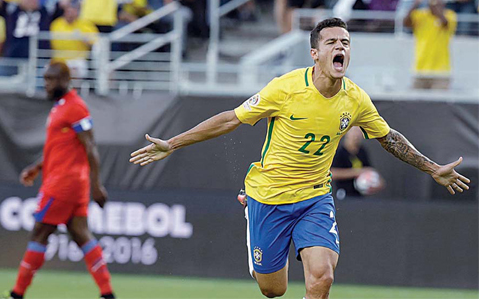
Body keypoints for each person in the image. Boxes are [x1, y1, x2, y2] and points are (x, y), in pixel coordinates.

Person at [129, 18, 470, 299]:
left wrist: (432, 168)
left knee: (322, 278)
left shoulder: (356, 99)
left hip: (314, 197)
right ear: (315, 53)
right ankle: (251, 210)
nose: (341, 47)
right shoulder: (286, 88)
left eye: (346, 42)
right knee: (272, 290)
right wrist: (172, 143)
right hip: (269, 196)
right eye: (332, 42)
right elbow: (231, 118)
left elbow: (389, 138)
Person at [1, 62, 115, 299]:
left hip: (63, 184)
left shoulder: (76, 107)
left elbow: (90, 146)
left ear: (65, 80)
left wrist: (97, 185)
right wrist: (37, 167)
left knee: (39, 233)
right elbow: (59, 148)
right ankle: (107, 294)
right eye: (45, 79)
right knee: (81, 234)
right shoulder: (59, 107)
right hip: (70, 184)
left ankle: (17, 294)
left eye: (51, 79)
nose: (47, 84)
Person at [404, 0, 457, 90]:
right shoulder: (421, 15)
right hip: (420, 69)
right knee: (415, 102)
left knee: (440, 103)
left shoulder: (450, 15)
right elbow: (406, 23)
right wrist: (415, 4)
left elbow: (445, 23)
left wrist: (436, 8)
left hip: (441, 72)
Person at [331, 126, 384, 199]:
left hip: (360, 196)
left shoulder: (362, 151)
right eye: (354, 133)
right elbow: (332, 173)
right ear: (347, 134)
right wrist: (357, 172)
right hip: (343, 194)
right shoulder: (339, 151)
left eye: (359, 133)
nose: (356, 136)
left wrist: (376, 182)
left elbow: (368, 169)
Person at [50, 0, 98, 78]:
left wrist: (84, 38)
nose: (70, 14)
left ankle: (75, 90)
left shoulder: (85, 24)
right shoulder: (56, 24)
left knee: (74, 71)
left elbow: (95, 42)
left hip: (78, 59)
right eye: (68, 11)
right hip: (59, 59)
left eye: (73, 11)